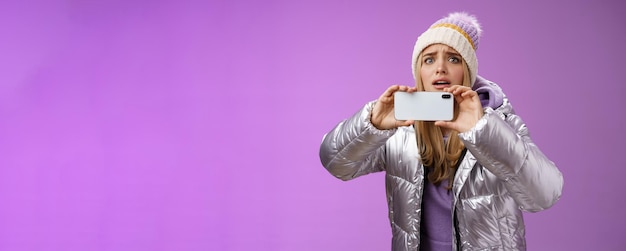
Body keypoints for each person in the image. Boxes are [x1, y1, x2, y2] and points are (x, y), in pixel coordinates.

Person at [318, 12, 563, 251]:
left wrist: (483, 131)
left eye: (454, 59)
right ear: (419, 73)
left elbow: (544, 195)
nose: (440, 68)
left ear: (468, 71)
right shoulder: (400, 129)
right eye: (429, 59)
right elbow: (336, 164)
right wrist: (372, 124)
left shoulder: (499, 122)